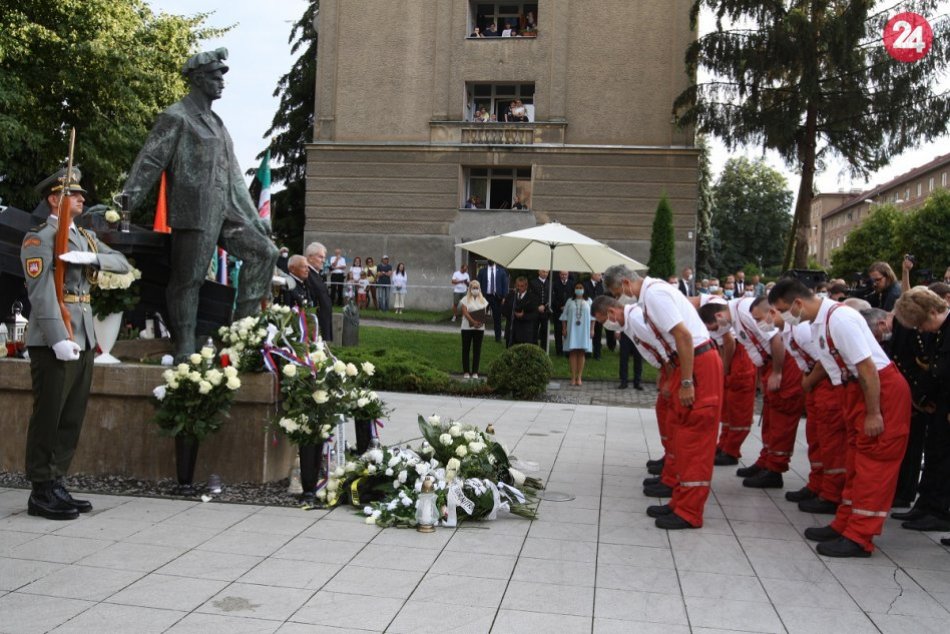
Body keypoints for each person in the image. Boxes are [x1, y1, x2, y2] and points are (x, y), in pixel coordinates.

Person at [123, 48, 278, 360]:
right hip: (194, 210)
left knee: (265, 252)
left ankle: (241, 335)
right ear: (196, 78)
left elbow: (235, 177)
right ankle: (183, 344)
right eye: (215, 75)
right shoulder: (176, 116)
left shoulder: (218, 124)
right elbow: (150, 161)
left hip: (227, 208)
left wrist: (253, 218)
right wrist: (123, 204)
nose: (222, 81)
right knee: (188, 279)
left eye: (222, 76)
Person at [769, 278, 911, 557]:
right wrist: (810, 383)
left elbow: (867, 368)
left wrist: (873, 413)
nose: (784, 317)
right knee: (855, 461)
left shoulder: (840, 319)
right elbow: (830, 361)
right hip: (856, 390)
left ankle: (860, 537)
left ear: (798, 303)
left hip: (878, 391)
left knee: (874, 464)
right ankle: (846, 523)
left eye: (783, 310)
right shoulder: (820, 322)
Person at [20, 167, 131, 520]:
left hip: (83, 336)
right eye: (74, 194)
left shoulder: (82, 237)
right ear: (54, 199)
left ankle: (57, 480)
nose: (82, 199)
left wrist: (91, 257)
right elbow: (41, 295)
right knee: (49, 414)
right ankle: (40, 488)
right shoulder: (39, 238)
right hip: (56, 338)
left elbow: (121, 263)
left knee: (71, 414)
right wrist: (56, 338)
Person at [603, 264, 723, 530]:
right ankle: (680, 501)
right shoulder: (650, 296)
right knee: (682, 434)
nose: (619, 297)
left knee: (693, 438)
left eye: (616, 291)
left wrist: (688, 380)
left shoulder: (654, 295)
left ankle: (690, 511)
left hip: (698, 362)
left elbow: (683, 335)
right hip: (686, 362)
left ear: (625, 282)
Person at [595, 297, 677, 496]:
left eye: (603, 320)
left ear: (612, 313)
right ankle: (670, 462)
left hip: (675, 367)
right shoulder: (631, 321)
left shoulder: (637, 320)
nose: (606, 325)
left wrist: (671, 377)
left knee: (674, 420)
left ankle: (674, 475)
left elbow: (665, 347)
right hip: (669, 368)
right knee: (664, 414)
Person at [892, 287, 950, 536]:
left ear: (933, 311)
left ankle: (938, 511)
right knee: (935, 453)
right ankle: (926, 504)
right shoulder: (941, 332)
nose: (922, 329)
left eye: (922, 323)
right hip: (940, 402)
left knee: (945, 458)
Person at [561, 282, 594, 386]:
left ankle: (579, 377)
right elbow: (564, 316)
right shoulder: (570, 301)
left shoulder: (589, 301)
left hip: (584, 330)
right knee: (573, 352)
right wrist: (564, 328)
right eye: (577, 287)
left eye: (581, 287)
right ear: (574, 289)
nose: (579, 289)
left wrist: (592, 329)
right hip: (572, 330)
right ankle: (573, 377)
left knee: (581, 352)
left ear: (584, 289)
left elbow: (593, 317)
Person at [304, 242, 333, 341]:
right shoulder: (306, 274)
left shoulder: (316, 274)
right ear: (310, 257)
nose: (324, 261)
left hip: (323, 321)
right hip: (315, 325)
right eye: (320, 257)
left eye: (324, 258)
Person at [458, 280, 488, 379]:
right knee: (466, 349)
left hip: (479, 328)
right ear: (470, 289)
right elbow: (465, 312)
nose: (475, 290)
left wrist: (478, 323)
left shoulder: (483, 300)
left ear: (480, 289)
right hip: (467, 327)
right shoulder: (465, 299)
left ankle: (475, 372)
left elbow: (484, 313)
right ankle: (466, 371)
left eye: (477, 288)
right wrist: (473, 321)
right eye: (473, 288)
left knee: (477, 350)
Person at [476, 261, 509, 342]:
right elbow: (477, 284)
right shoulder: (482, 271)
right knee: (480, 317)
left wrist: (504, 297)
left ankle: (498, 338)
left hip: (496, 297)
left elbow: (505, 284)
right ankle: (477, 336)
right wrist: (478, 296)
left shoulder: (501, 271)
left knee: (497, 318)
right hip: (484, 296)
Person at [502, 276, 539, 347]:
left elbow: (535, 314)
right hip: (511, 331)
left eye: (521, 286)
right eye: (517, 285)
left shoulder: (532, 298)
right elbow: (504, 310)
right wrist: (512, 314)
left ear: (526, 286)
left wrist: (523, 316)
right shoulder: (510, 296)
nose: (519, 288)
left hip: (525, 333)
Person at [583, 272, 606, 359]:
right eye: (599, 275)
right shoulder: (585, 285)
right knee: (588, 333)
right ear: (593, 275)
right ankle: (587, 352)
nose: (601, 277)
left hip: (598, 313)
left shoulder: (601, 285)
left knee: (598, 333)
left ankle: (597, 354)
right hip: (588, 312)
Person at [551, 271, 574, 356]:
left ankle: (568, 350)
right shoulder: (555, 284)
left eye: (565, 274)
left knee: (569, 331)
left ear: (568, 275)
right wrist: (559, 306)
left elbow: (573, 296)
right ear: (559, 274)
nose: (564, 276)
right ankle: (559, 351)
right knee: (558, 331)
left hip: (569, 311)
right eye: (562, 274)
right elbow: (553, 297)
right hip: (558, 311)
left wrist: (568, 307)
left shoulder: (572, 284)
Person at [530, 269, 552, 349]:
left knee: (545, 330)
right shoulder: (533, 282)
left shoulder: (549, 283)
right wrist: (537, 307)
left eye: (547, 272)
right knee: (534, 329)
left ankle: (544, 348)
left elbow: (550, 297)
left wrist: (545, 306)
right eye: (543, 271)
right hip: (536, 310)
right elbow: (531, 297)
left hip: (545, 311)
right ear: (539, 272)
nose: (545, 274)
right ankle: (534, 347)